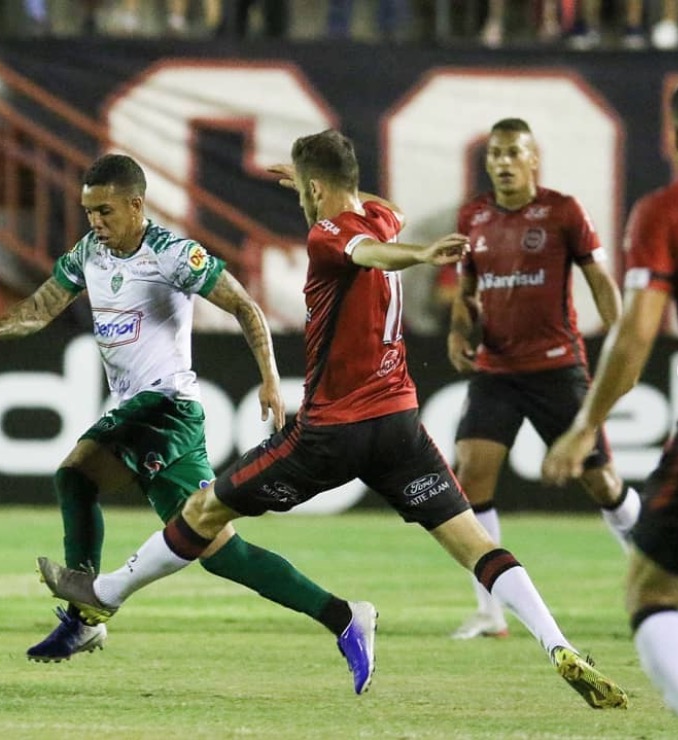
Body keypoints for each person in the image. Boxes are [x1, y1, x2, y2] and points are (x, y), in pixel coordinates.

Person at [35, 130, 629, 708]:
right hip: (400, 426)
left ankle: (103, 594)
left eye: (305, 191)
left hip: (331, 432)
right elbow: (384, 217)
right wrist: (331, 190)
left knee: (204, 510)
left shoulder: (329, 235)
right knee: (474, 544)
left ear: (317, 191)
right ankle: (559, 643)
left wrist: (420, 254)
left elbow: (364, 253)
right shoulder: (380, 216)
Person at [0, 153, 367, 664]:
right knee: (224, 554)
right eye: (89, 212)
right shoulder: (89, 253)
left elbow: (245, 306)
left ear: (136, 204)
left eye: (105, 211)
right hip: (147, 414)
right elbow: (42, 309)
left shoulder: (173, 254)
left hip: (166, 406)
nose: (95, 223)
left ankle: (86, 613)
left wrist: (269, 379)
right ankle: (345, 616)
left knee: (76, 473)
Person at [447, 117, 640, 641]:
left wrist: (621, 344)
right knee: (472, 475)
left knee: (602, 483)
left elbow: (600, 281)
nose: (503, 163)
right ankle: (490, 613)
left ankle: (655, 576)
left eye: (513, 153)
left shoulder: (562, 211)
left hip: (557, 366)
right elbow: (468, 293)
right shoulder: (474, 217)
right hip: (497, 370)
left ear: (534, 159)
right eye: (495, 154)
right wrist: (457, 331)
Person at [542, 87, 678, 715]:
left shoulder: (663, 213)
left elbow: (637, 331)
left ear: (669, 134)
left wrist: (585, 423)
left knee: (652, 590)